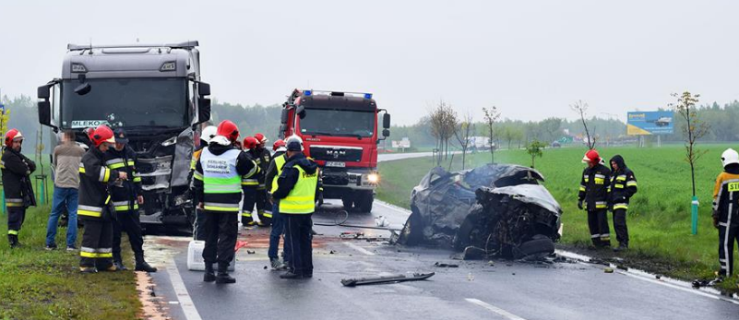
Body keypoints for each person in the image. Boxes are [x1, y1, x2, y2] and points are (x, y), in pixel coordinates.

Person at [193, 120, 256, 284]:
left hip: (208, 204)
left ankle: (208, 271)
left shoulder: (204, 153)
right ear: (233, 136)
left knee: (210, 236)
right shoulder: (236, 155)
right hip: (228, 206)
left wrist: (200, 200)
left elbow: (197, 181)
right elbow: (252, 170)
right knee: (227, 238)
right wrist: (243, 152)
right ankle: (222, 272)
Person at [105, 129, 157, 272]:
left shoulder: (130, 153)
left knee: (136, 234)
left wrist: (139, 192)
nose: (119, 145)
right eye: (117, 142)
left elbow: (136, 174)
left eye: (122, 143)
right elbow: (104, 177)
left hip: (131, 202)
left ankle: (140, 261)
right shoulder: (106, 156)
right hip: (115, 203)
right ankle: (117, 261)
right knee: (115, 235)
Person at [79, 125, 126, 273]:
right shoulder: (89, 158)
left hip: (102, 204)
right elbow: (99, 174)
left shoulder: (99, 157)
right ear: (99, 144)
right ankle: (86, 264)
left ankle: (104, 263)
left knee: (106, 234)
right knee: (91, 236)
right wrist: (116, 174)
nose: (107, 148)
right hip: (91, 204)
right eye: (105, 145)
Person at [273, 136, 319, 279]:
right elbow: (317, 189)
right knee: (306, 240)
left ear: (289, 152)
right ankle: (307, 269)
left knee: (293, 241)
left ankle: (295, 269)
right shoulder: (313, 166)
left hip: (292, 210)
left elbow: (284, 189)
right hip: (307, 210)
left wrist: (274, 195)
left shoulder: (292, 167)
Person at [46, 130, 84, 251]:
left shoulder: (58, 149)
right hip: (74, 184)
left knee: (55, 213)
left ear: (67, 137)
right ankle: (70, 244)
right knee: (73, 214)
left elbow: (55, 163)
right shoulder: (81, 151)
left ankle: (50, 242)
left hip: (60, 184)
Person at [2, 129, 36, 248]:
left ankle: (15, 240)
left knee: (19, 217)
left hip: (19, 192)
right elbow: (24, 170)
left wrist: (25, 165)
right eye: (16, 142)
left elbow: (32, 165)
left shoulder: (15, 155)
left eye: (20, 142)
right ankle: (13, 241)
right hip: (13, 193)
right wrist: (25, 166)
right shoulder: (9, 156)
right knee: (14, 217)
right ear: (10, 142)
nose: (18, 144)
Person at [712, 148, 739, 281]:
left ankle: (726, 273)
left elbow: (717, 198)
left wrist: (715, 215)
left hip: (727, 219)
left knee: (725, 245)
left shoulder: (723, 177)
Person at [578, 149, 611, 248]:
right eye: (588, 162)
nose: (588, 163)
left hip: (601, 204)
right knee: (592, 224)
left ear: (595, 161)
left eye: (590, 162)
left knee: (602, 224)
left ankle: (606, 244)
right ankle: (596, 243)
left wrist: (610, 202)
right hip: (590, 203)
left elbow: (609, 188)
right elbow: (583, 186)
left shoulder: (605, 171)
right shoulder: (586, 171)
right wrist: (580, 198)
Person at [191, 125, 217, 241]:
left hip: (199, 189)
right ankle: (200, 243)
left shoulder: (199, 152)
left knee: (201, 221)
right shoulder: (205, 153)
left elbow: (192, 173)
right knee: (202, 221)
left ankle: (199, 242)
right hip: (206, 190)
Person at [265, 139, 288, 269]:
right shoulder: (281, 161)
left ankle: (276, 258)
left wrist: (269, 194)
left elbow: (267, 179)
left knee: (277, 231)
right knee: (285, 231)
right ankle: (284, 258)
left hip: (279, 201)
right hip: (284, 202)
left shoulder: (275, 160)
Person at [608, 155, 638, 252]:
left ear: (620, 162)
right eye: (612, 164)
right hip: (613, 203)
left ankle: (624, 244)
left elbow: (633, 188)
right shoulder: (612, 174)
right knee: (616, 224)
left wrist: (623, 196)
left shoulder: (627, 172)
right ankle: (620, 243)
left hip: (621, 203)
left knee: (619, 223)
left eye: (615, 163)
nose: (613, 166)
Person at [240, 136, 263, 226]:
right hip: (250, 183)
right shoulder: (248, 156)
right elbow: (255, 168)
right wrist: (260, 171)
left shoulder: (245, 154)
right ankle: (246, 219)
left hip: (248, 183)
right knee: (249, 202)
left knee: (249, 201)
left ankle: (247, 218)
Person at [254, 133, 272, 226]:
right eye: (262, 143)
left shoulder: (266, 152)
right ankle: (262, 218)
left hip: (266, 182)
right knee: (259, 202)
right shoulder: (253, 152)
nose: (263, 144)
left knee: (267, 201)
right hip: (258, 182)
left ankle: (266, 220)